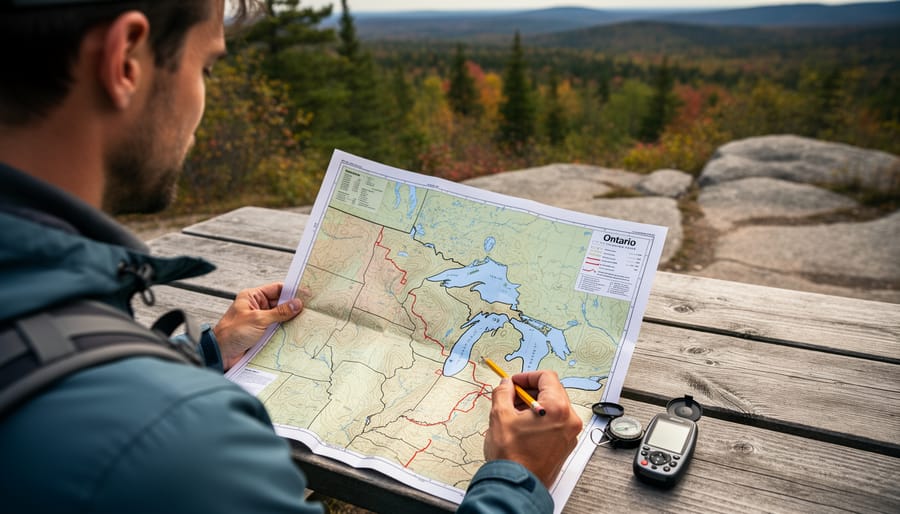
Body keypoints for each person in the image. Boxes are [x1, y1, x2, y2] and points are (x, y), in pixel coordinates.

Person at [0, 1, 584, 513]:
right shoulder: (179, 447)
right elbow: (129, 441)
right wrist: (520, 480)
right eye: (206, 67)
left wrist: (205, 358)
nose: (203, 100)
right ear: (126, 60)